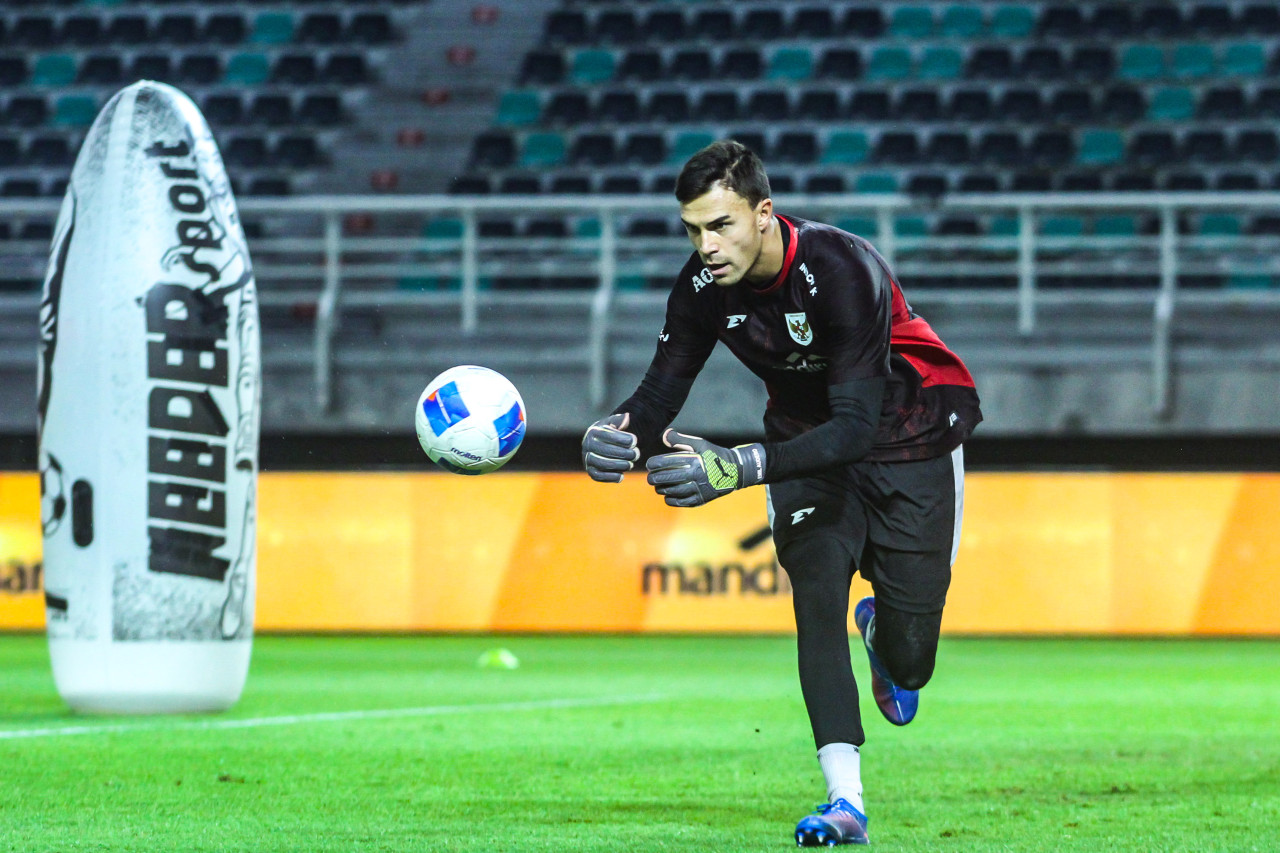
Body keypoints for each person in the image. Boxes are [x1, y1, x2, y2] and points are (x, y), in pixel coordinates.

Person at [581, 140, 982, 846]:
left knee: (914, 656)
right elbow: (655, 400)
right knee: (816, 590)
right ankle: (846, 801)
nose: (705, 246)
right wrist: (614, 437)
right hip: (803, 450)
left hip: (909, 437)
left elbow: (856, 427)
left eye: (720, 225)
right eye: (692, 229)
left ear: (763, 214)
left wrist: (734, 467)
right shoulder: (702, 289)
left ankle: (884, 637)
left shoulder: (842, 268)